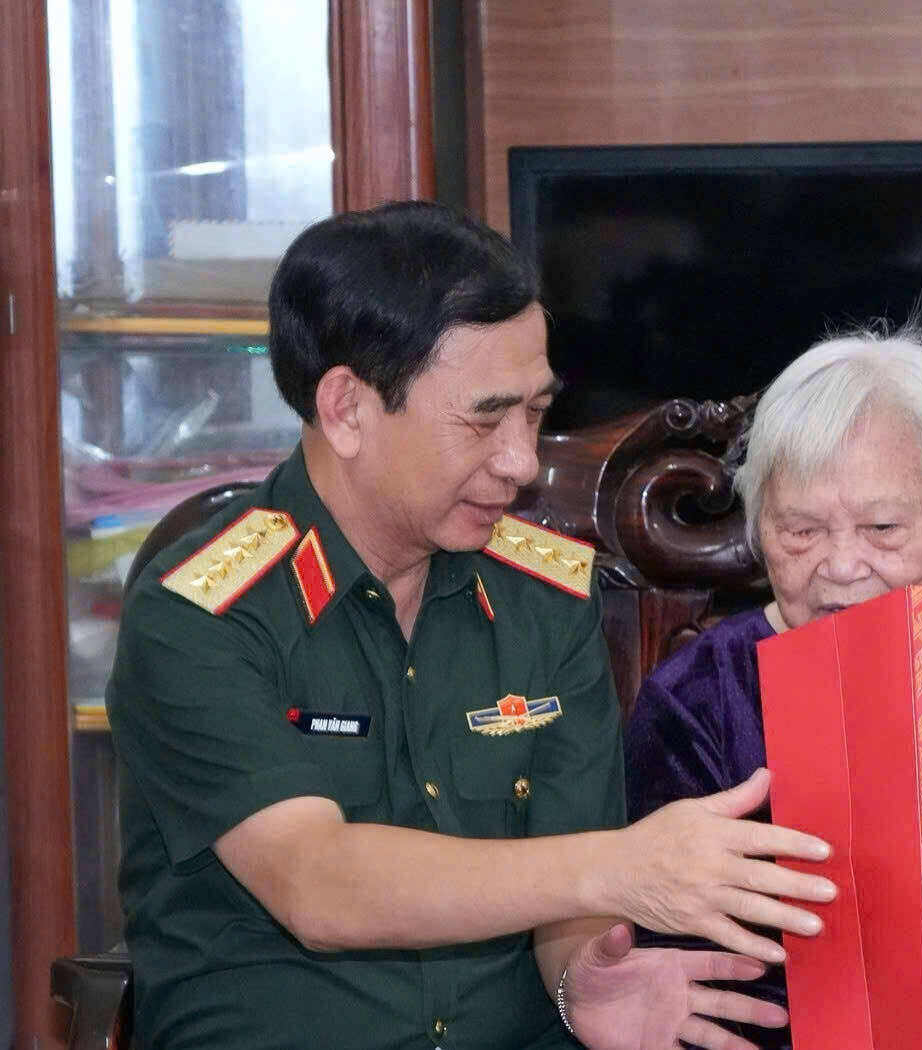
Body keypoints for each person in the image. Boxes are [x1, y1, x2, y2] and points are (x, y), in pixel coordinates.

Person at [107, 201, 837, 1050]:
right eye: (485, 420)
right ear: (346, 408)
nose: (521, 462)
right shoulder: (201, 613)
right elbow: (318, 884)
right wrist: (624, 864)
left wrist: (580, 984)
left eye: (534, 412)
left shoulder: (544, 598)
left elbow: (565, 893)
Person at [623, 327, 922, 1048]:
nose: (843, 564)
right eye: (802, 530)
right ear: (759, 529)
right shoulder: (698, 698)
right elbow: (677, 970)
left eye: (883, 527)